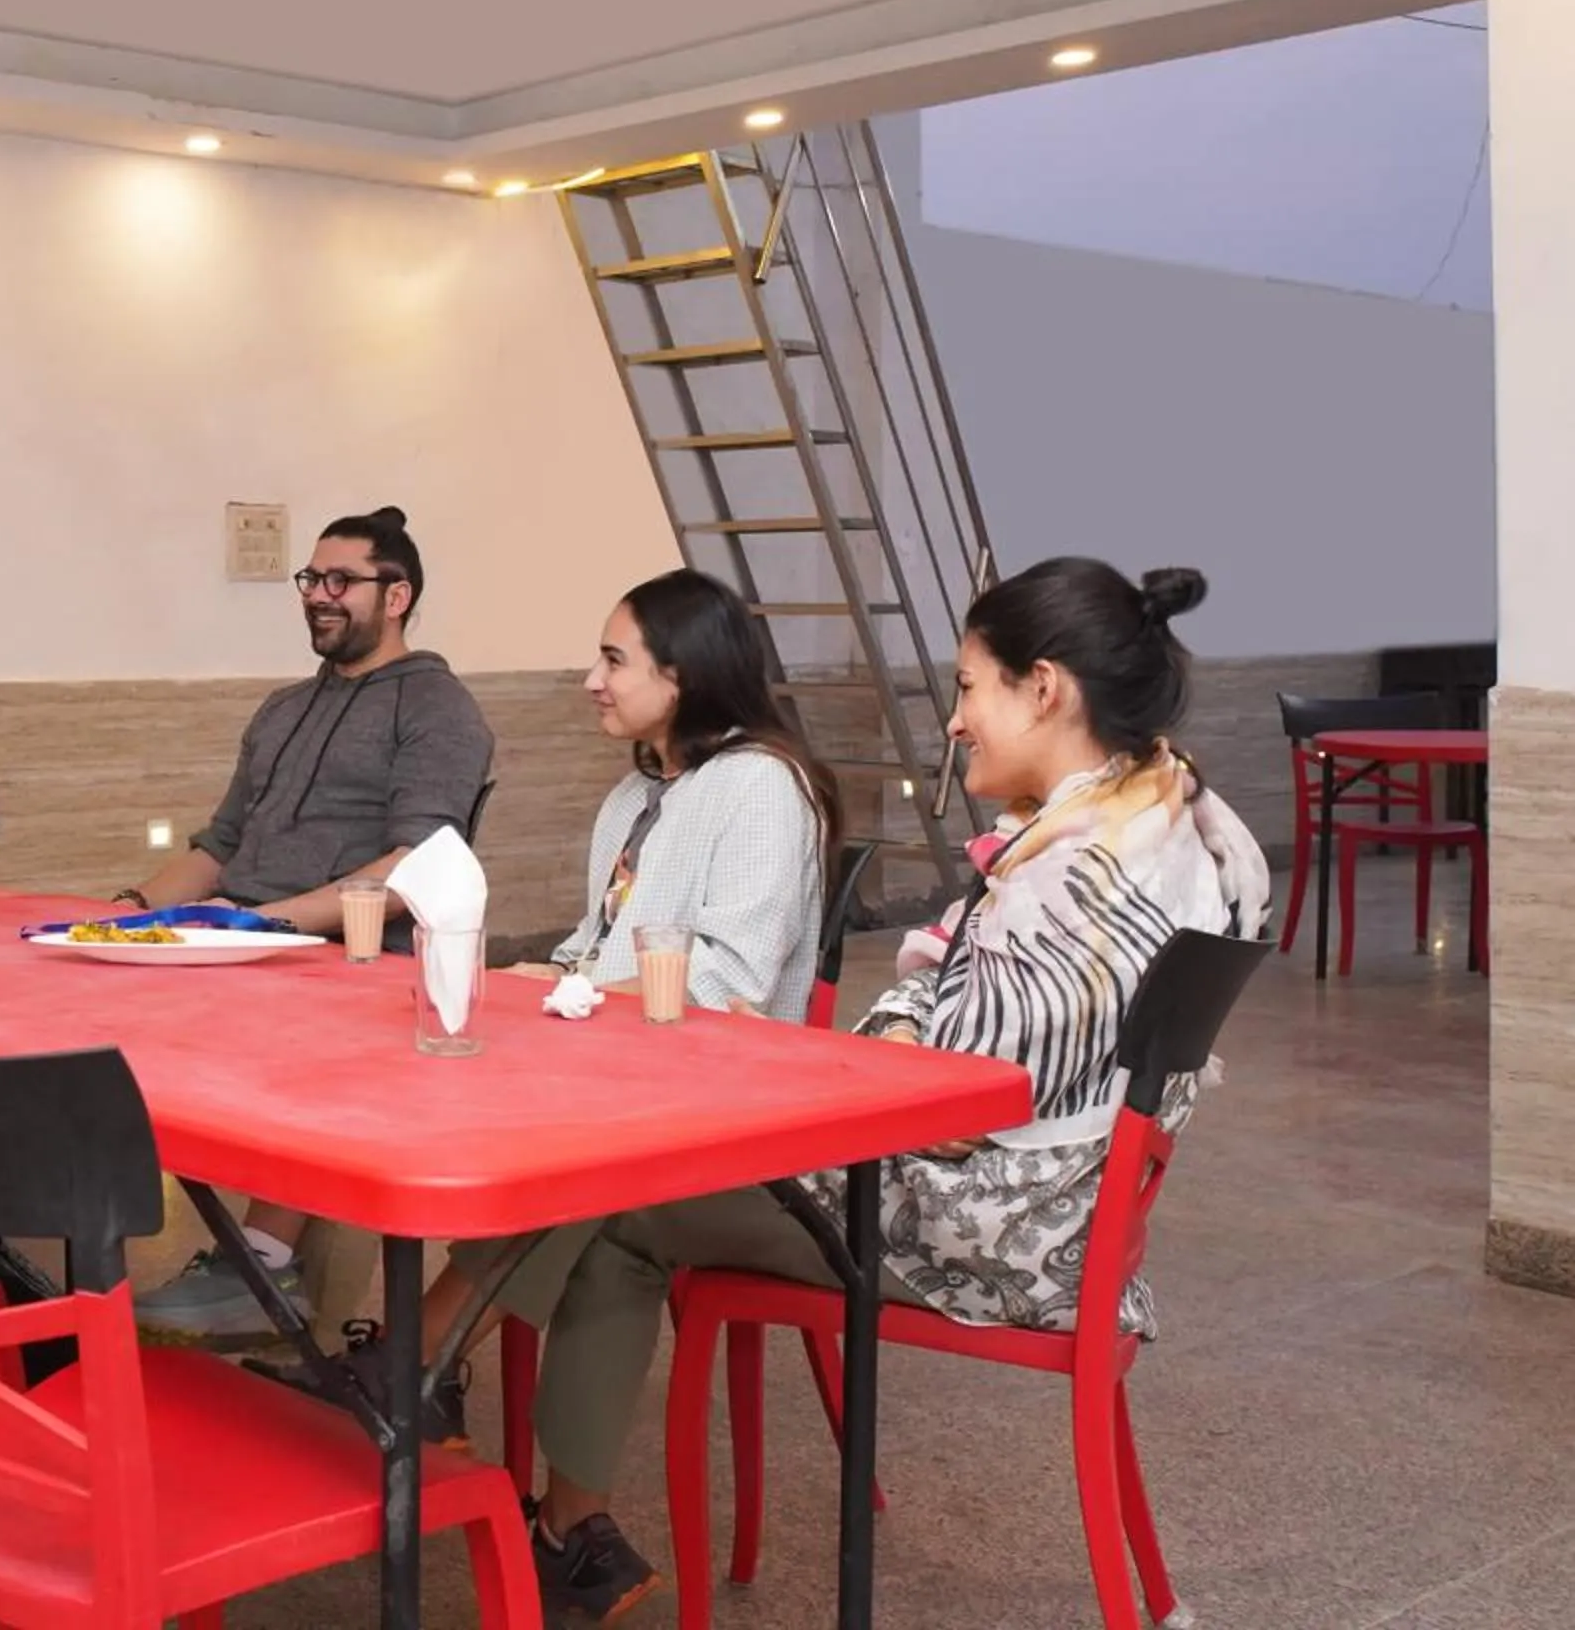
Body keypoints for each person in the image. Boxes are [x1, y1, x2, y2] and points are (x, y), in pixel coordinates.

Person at [465, 560, 1268, 1623]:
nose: (953, 720)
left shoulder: (1071, 876)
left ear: (1045, 688)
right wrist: (920, 981)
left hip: (987, 1231)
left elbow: (936, 1094)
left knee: (618, 1202)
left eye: (971, 685)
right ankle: (521, 1473)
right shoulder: (1183, 813)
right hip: (1074, 1215)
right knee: (629, 1182)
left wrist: (905, 995)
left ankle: (488, 1434)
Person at [253, 566, 844, 1431]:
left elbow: (726, 979)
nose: (592, 681)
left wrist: (572, 986)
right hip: (630, 1090)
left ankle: (408, 1362)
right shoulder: (638, 794)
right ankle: (415, 1370)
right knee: (433, 1095)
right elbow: (595, 943)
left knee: (573, 1179)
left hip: (725, 1121)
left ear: (682, 674)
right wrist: (550, 974)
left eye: (614, 660)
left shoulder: (758, 787)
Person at [121, 506, 495, 1345]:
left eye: (340, 582)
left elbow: (415, 868)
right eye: (310, 580)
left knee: (290, 1031)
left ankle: (257, 1264)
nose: (318, 597)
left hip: (350, 956)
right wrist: (131, 916)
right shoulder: (285, 709)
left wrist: (259, 925)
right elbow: (217, 847)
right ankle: (76, 1250)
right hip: (243, 938)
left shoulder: (437, 709)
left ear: (396, 596)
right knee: (81, 1009)